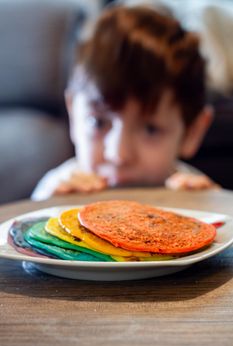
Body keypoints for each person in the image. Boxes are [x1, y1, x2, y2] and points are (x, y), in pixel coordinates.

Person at [32, 4, 219, 201]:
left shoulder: (194, 195)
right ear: (73, 116)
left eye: (150, 129)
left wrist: (215, 208)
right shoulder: (57, 190)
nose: (118, 155)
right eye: (97, 123)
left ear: (192, 132)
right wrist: (46, 211)